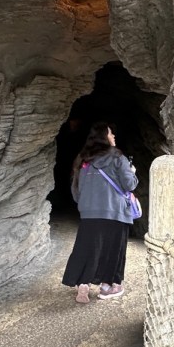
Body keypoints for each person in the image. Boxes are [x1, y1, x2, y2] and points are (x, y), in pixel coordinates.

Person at [61, 121, 139, 303]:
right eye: (111, 134)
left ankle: (83, 284)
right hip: (115, 212)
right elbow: (129, 184)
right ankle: (108, 287)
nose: (113, 137)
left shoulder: (83, 159)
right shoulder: (118, 157)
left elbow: (75, 189)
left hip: (89, 213)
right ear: (104, 137)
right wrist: (132, 172)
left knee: (88, 248)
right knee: (113, 250)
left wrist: (86, 204)